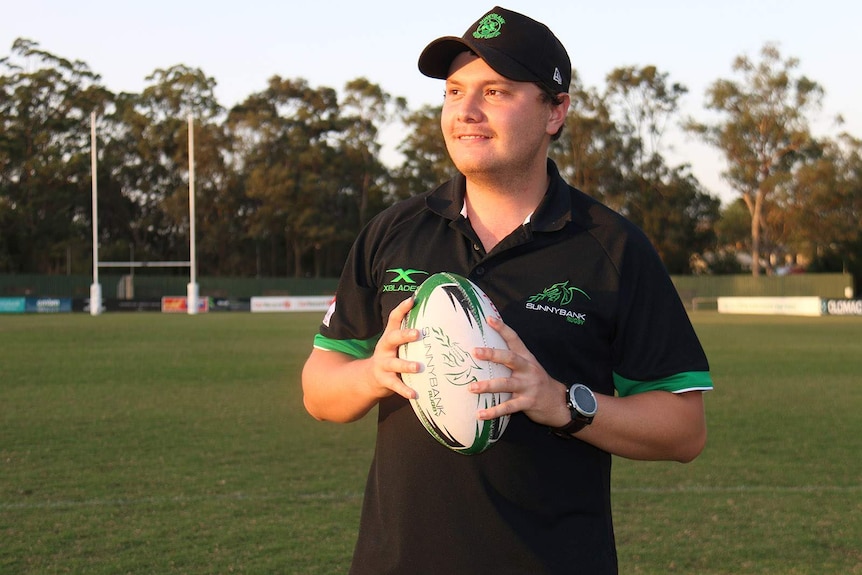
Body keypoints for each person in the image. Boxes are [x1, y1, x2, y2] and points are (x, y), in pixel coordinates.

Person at [302, 6, 713, 574]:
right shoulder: (391, 232)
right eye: (453, 91)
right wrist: (373, 373)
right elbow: (319, 391)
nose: (465, 112)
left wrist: (561, 404)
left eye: (495, 91)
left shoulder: (612, 247)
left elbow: (684, 429)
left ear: (555, 110)